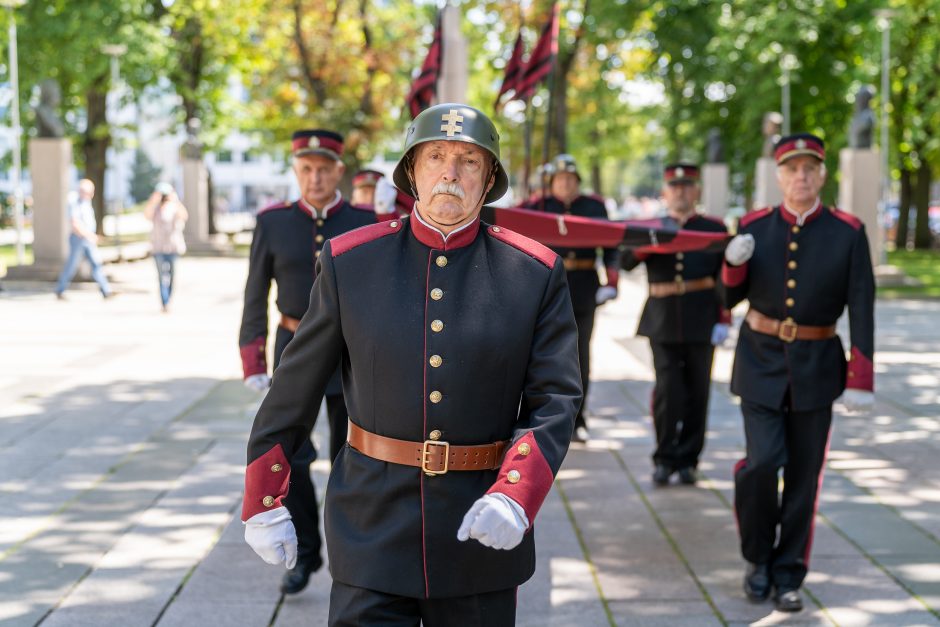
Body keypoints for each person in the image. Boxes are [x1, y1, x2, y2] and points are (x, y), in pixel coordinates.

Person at [241, 103, 581, 626]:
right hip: (371, 523)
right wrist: (263, 494)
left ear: (489, 179)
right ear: (412, 172)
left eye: (469, 160)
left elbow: (555, 399)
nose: (450, 173)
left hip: (480, 523)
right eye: (435, 156)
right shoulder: (350, 260)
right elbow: (295, 385)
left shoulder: (533, 272)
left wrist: (518, 492)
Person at [719, 133, 875, 612]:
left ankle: (787, 573)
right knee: (762, 464)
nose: (800, 177)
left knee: (805, 477)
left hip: (817, 367)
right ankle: (757, 559)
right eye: (791, 169)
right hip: (760, 363)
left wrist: (861, 375)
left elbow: (862, 304)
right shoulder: (754, 227)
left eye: (809, 168)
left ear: (822, 175)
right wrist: (731, 266)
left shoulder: (848, 231)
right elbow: (727, 302)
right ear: (779, 175)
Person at [238, 128, 385, 595]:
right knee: (292, 456)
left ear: (338, 171)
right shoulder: (273, 222)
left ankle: (356, 551)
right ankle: (303, 552)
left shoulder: (366, 219)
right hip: (293, 346)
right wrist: (252, 357)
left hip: (351, 351)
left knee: (356, 454)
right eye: (306, 169)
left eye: (324, 169)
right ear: (296, 170)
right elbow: (255, 292)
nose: (315, 178)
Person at [620, 163, 730, 486]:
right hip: (662, 318)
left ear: (696, 191)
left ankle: (689, 460)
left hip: (702, 316)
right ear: (665, 193)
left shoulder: (712, 227)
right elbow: (625, 262)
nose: (681, 192)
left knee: (699, 390)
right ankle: (664, 457)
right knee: (669, 390)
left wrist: (724, 316)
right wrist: (648, 243)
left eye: (687, 186)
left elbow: (725, 275)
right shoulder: (652, 227)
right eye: (675, 187)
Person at [526, 153, 619, 442]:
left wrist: (612, 279)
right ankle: (538, 415)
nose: (565, 184)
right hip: (544, 285)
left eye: (570, 179)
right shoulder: (537, 206)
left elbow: (611, 243)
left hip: (582, 285)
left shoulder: (594, 206)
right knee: (539, 351)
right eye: (560, 179)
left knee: (580, 355)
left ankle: (578, 418)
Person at [54, 179, 113, 300]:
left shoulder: (86, 202)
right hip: (78, 239)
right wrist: (90, 236)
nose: (90, 195)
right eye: (88, 192)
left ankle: (106, 290)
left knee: (96, 264)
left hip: (87, 240)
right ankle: (60, 289)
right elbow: (75, 224)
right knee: (71, 266)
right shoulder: (74, 202)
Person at [144, 182, 188, 312]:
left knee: (172, 276)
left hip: (173, 247)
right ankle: (164, 302)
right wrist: (153, 201)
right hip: (158, 247)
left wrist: (175, 201)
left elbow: (184, 216)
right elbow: (146, 215)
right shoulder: (155, 209)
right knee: (161, 276)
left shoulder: (174, 207)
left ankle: (168, 298)